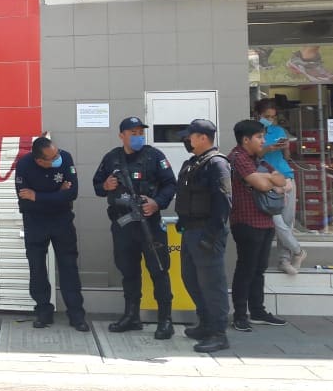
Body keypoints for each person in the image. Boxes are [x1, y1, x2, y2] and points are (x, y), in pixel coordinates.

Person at [92, 117, 177, 340]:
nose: (138, 136)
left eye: (141, 132)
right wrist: (105, 185)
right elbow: (97, 185)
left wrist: (157, 202)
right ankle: (132, 316)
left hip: (150, 225)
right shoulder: (112, 158)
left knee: (159, 270)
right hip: (123, 226)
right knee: (128, 272)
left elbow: (170, 184)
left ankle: (165, 320)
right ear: (122, 136)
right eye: (133, 133)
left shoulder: (154, 156)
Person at [15, 136, 89, 332]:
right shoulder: (24, 166)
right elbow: (25, 202)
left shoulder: (66, 158)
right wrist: (58, 193)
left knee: (69, 267)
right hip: (35, 223)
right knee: (37, 268)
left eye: (58, 153)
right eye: (53, 157)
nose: (58, 158)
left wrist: (37, 196)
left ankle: (77, 315)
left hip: (62, 221)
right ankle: (43, 312)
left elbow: (72, 193)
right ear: (40, 161)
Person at [174, 119, 232, 353]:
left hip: (207, 231)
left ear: (202, 138)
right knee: (190, 278)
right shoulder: (193, 163)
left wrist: (211, 235)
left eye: (190, 136)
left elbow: (223, 202)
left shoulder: (217, 164)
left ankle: (219, 333)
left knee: (212, 284)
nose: (186, 140)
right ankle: (206, 322)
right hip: (190, 231)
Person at [227, 120, 288, 333]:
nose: (263, 141)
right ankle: (240, 315)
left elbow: (284, 181)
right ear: (246, 139)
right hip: (246, 221)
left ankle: (257, 311)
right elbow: (263, 185)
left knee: (259, 269)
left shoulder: (256, 159)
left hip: (265, 219)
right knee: (246, 268)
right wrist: (270, 181)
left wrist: (268, 178)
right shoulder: (237, 158)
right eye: (259, 137)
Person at [253, 99, 306, 273]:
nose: (270, 120)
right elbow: (254, 154)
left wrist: (286, 146)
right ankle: (298, 250)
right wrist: (269, 148)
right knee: (276, 221)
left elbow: (287, 156)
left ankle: (285, 259)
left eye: (272, 117)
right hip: (267, 179)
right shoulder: (253, 132)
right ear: (258, 115)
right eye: (266, 116)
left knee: (287, 221)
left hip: (286, 175)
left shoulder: (278, 130)